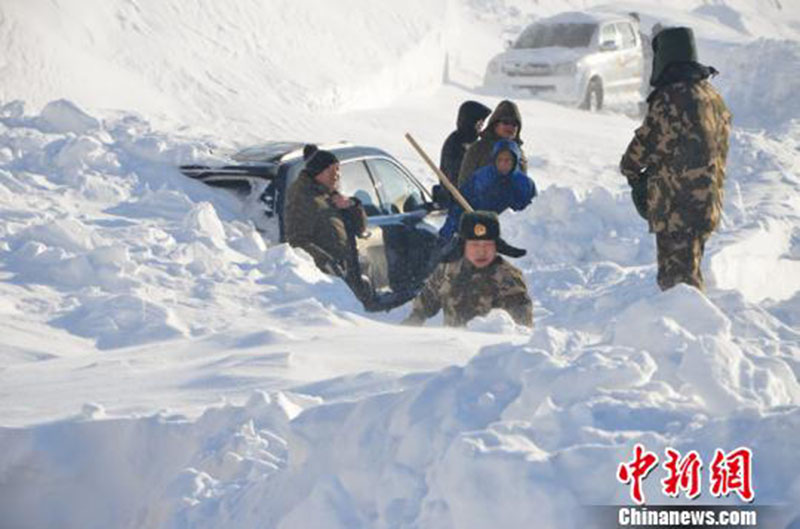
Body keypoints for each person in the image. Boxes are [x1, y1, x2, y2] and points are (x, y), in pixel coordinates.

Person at [620, 27, 731, 292]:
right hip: (707, 201)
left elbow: (645, 146)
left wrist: (630, 170)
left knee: (678, 283)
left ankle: (691, 329)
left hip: (677, 205)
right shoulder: (712, 96)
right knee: (689, 271)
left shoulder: (671, 97)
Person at [404, 211, 533, 327]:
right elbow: (421, 309)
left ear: (496, 247)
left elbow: (521, 331)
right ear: (463, 246)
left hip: (493, 351)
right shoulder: (447, 270)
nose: (481, 251)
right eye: (475, 245)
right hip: (451, 347)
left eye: (487, 245)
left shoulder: (509, 279)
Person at [284, 145, 372, 301]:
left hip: (347, 274)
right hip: (325, 285)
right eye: (332, 171)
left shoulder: (328, 195)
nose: (337, 176)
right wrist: (328, 265)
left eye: (338, 170)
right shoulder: (304, 199)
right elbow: (297, 241)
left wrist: (352, 205)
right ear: (318, 173)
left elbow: (361, 229)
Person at [439, 139, 536, 241]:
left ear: (515, 161)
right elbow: (459, 206)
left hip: (511, 238)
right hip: (475, 234)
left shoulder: (525, 185)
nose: (503, 163)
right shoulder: (480, 178)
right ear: (494, 159)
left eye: (508, 160)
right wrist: (446, 234)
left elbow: (532, 216)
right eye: (500, 160)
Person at [457, 99, 528, 187]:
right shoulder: (478, 149)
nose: (510, 127)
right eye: (506, 122)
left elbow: (524, 188)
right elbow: (465, 184)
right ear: (495, 124)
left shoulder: (520, 154)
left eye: (514, 124)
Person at [440, 100, 492, 186]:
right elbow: (455, 173)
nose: (481, 125)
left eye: (482, 123)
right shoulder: (456, 142)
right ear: (470, 121)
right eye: (479, 122)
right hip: (454, 195)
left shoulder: (474, 142)